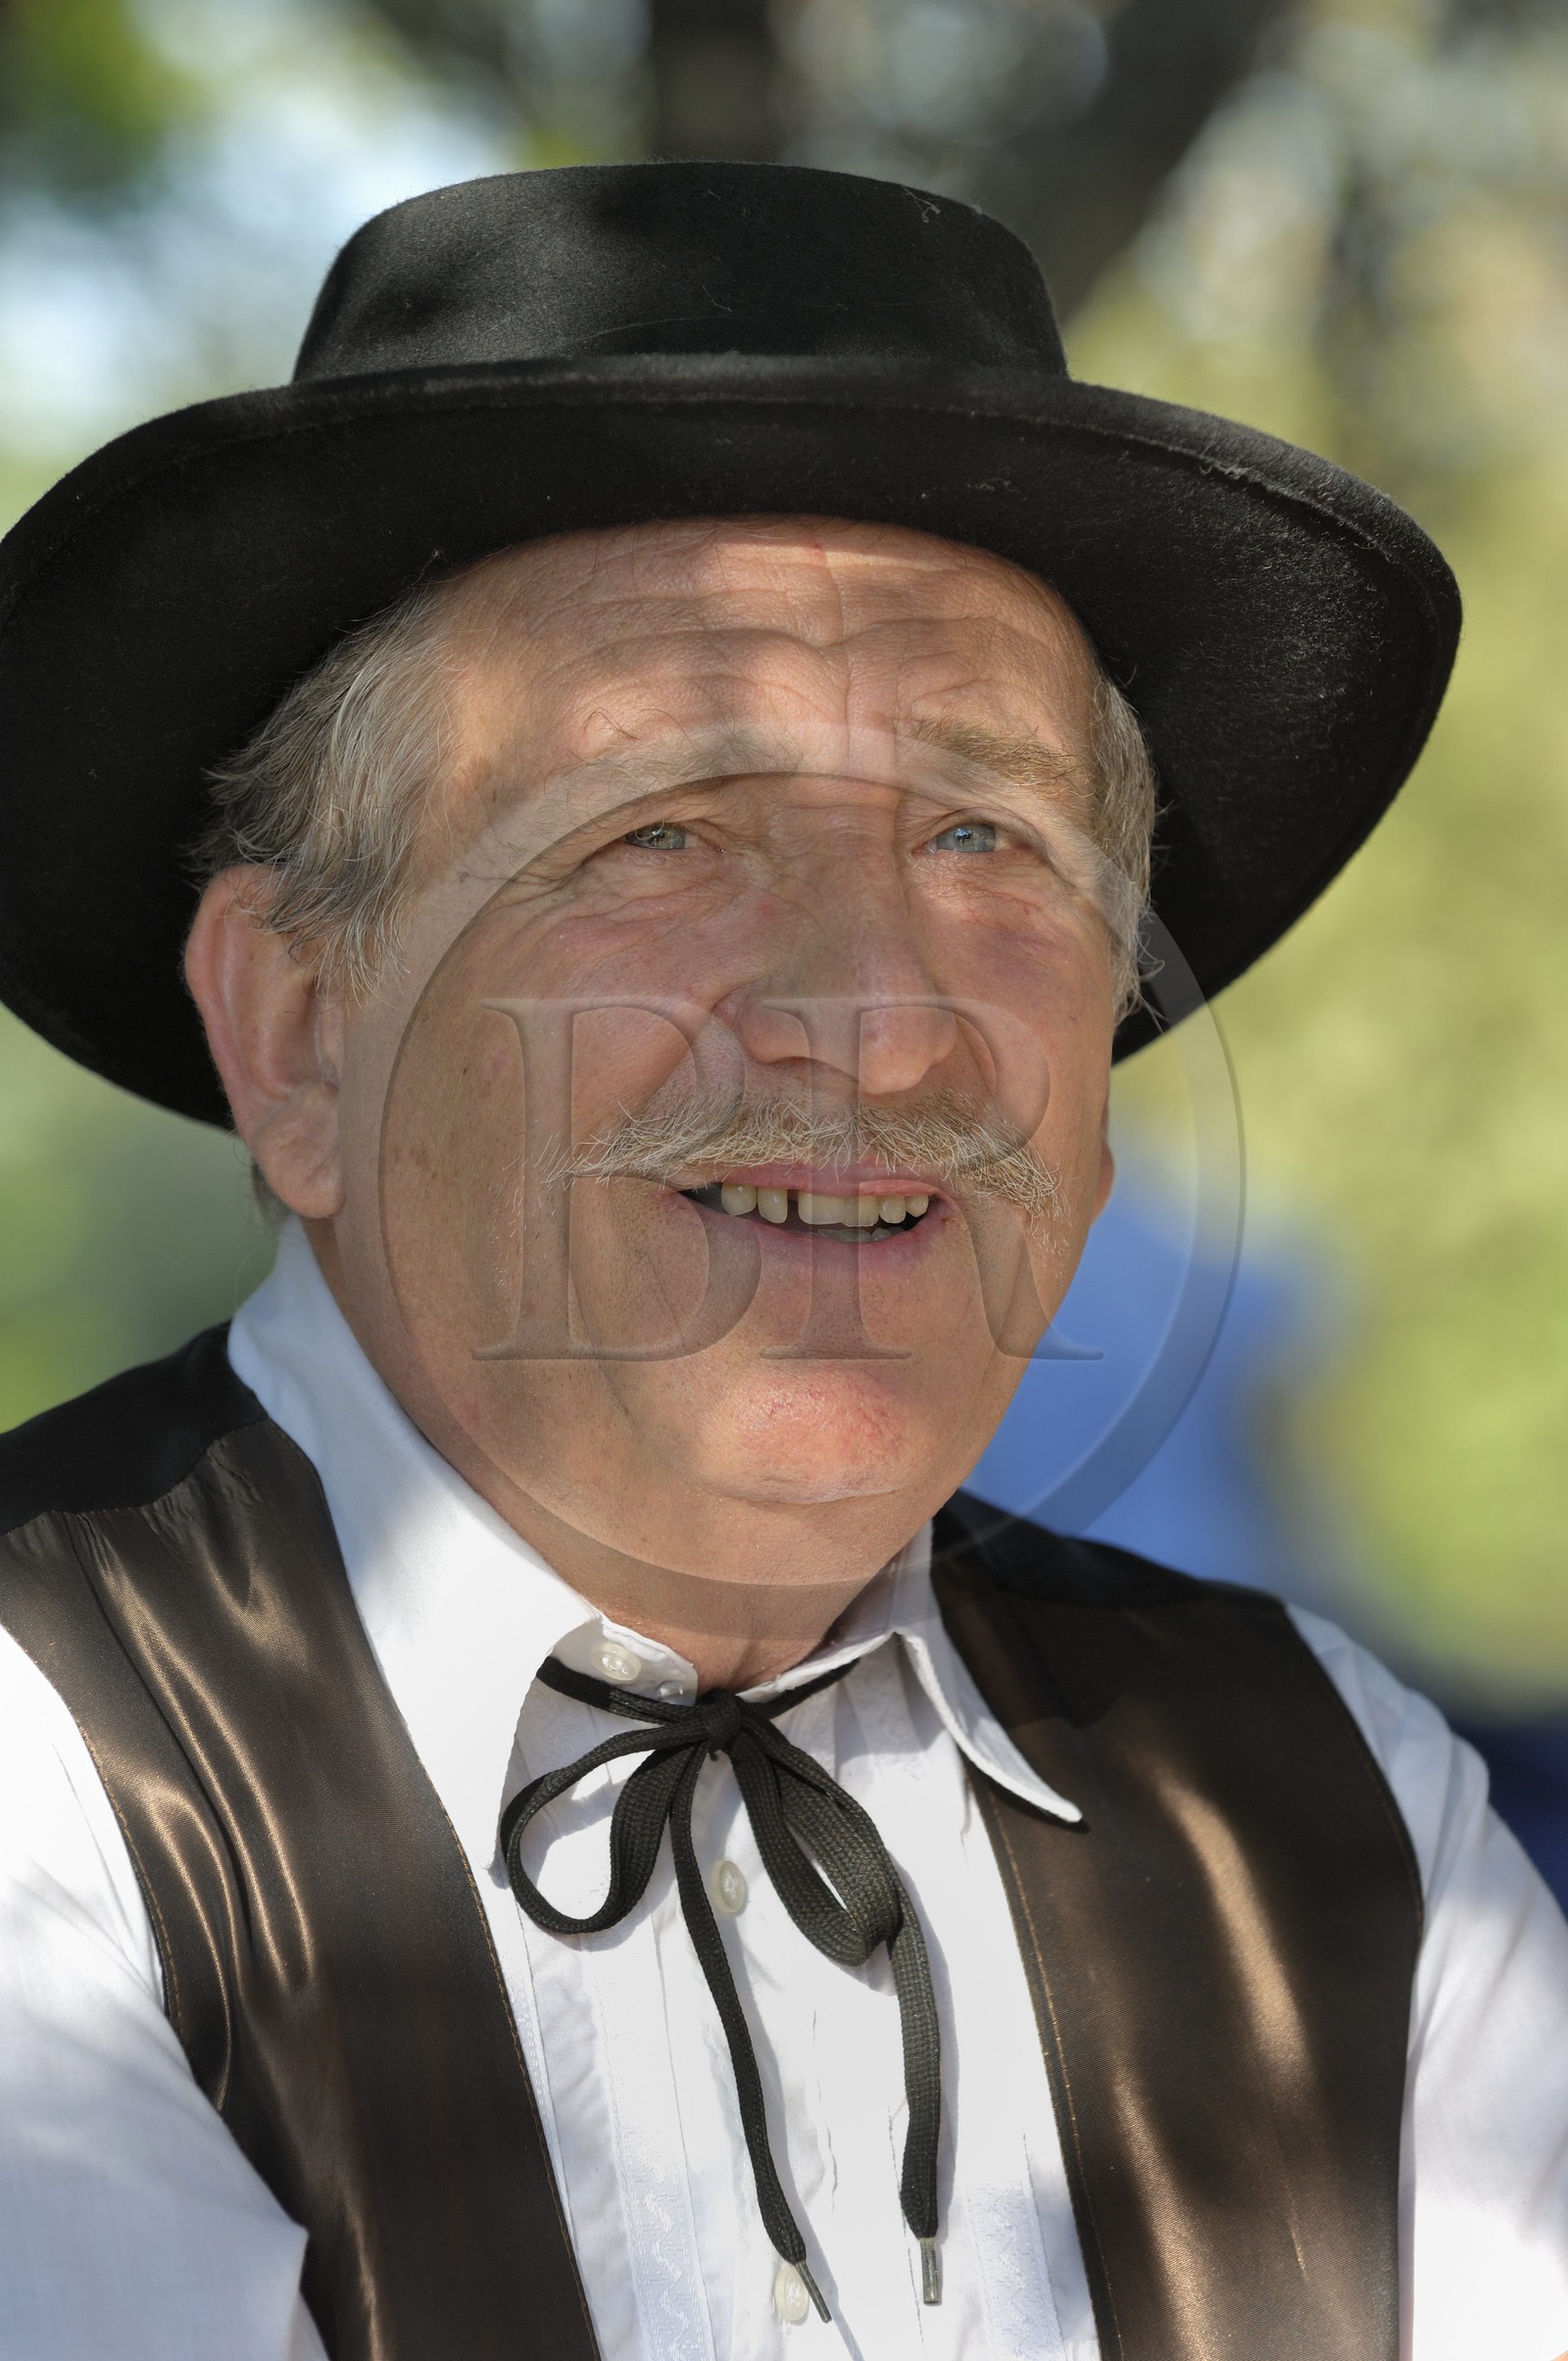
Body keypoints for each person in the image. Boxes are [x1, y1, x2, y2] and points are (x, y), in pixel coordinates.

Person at [0, 163, 1562, 2361]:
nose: (890, 1016)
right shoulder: (40, 1763)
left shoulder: (1330, 1803)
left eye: (979, 837)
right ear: (302, 1025)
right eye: (657, 831)